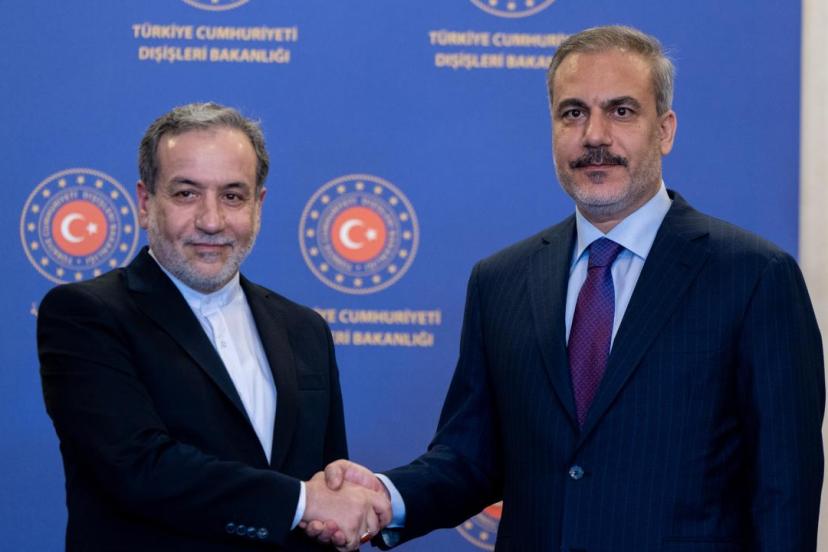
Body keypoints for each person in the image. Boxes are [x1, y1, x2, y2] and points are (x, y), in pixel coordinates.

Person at [309, 26, 825, 551]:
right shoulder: (500, 281)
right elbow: (469, 458)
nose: (595, 136)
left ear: (665, 130)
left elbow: (784, 489)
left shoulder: (753, 277)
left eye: (621, 111)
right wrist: (385, 496)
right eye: (573, 113)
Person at [38, 102, 389, 552]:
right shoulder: (86, 314)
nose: (211, 220)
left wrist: (339, 502)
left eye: (232, 196)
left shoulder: (306, 329)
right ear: (145, 203)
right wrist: (304, 502)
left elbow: (328, 494)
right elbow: (137, 467)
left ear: (258, 206)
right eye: (186, 194)